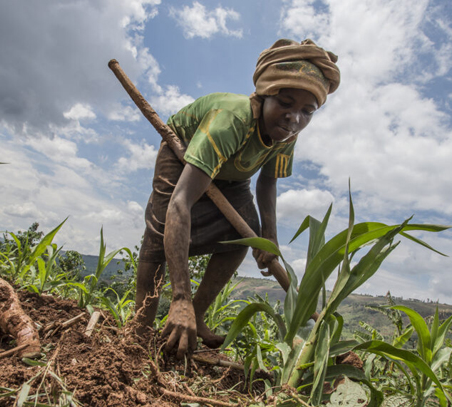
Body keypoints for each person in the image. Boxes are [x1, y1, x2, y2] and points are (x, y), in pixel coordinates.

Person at [132, 39, 340, 359]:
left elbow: (267, 181)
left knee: (244, 235)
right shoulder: (232, 120)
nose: (293, 118)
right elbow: (180, 203)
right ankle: (141, 329)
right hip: (185, 153)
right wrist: (179, 297)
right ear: (265, 93)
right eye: (285, 103)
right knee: (160, 233)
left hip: (234, 174)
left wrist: (268, 241)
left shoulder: (287, 133)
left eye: (306, 111)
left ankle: (197, 315)